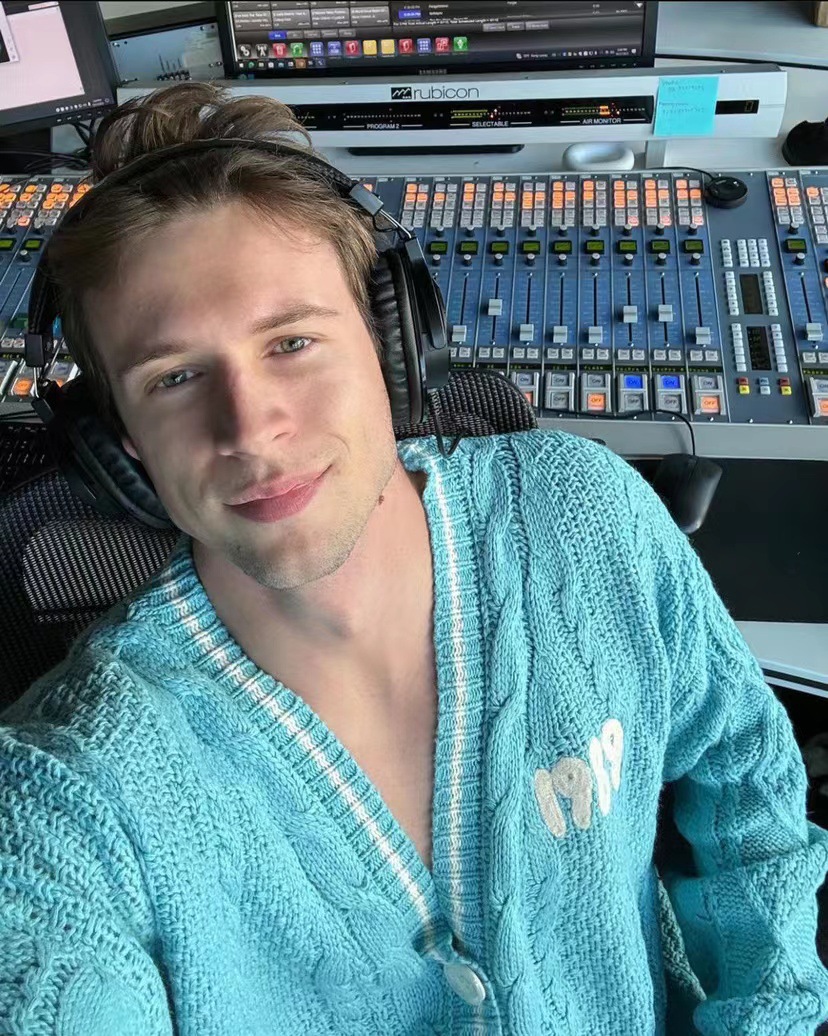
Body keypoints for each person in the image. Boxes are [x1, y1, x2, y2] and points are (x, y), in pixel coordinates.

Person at [0, 82, 826, 1036]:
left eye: (292, 342)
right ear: (119, 445)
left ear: (396, 349)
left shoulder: (589, 513)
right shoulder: (68, 796)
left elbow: (747, 779)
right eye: (175, 377)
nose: (251, 429)